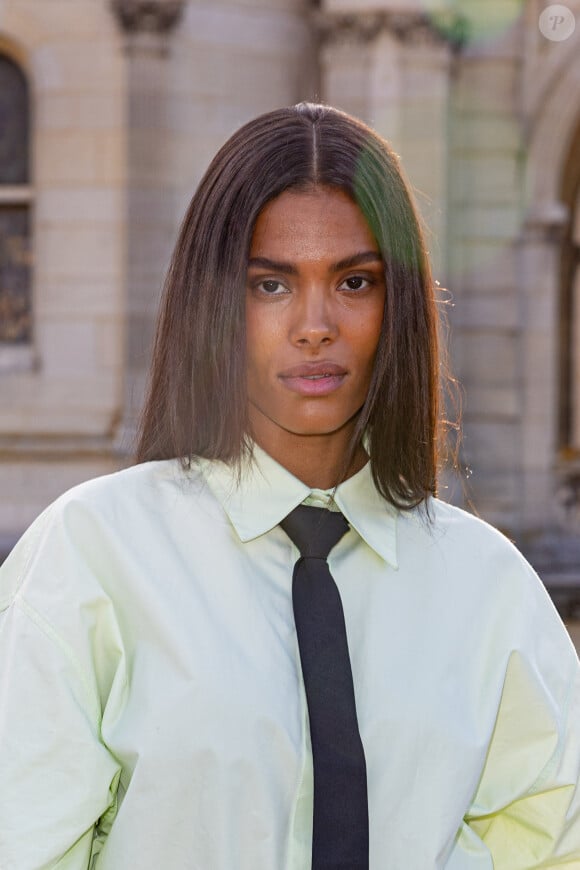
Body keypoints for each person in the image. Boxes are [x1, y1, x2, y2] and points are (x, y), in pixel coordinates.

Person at [0, 102, 579, 870]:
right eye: (271, 285)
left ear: (397, 302)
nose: (315, 324)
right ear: (215, 305)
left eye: (355, 281)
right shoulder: (91, 559)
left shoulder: (490, 589)